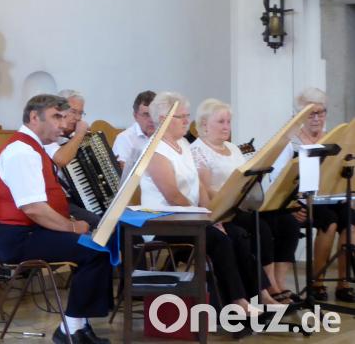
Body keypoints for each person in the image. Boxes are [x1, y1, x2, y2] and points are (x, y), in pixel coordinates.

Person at [141, 92, 283, 309]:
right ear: (163, 120)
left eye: (187, 115)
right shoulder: (155, 150)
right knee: (221, 240)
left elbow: (198, 187)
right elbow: (173, 196)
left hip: (189, 218)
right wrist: (205, 219)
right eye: (181, 117)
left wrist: (213, 215)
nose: (187, 121)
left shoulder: (183, 146)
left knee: (238, 234)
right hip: (164, 221)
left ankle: (260, 296)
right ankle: (237, 301)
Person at [0, 94, 112, 344]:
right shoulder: (21, 152)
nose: (62, 123)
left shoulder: (33, 148)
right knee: (96, 250)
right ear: (34, 117)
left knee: (99, 244)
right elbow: (34, 209)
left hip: (34, 233)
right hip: (19, 240)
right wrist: (71, 227)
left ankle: (78, 326)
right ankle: (71, 329)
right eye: (56, 116)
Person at [191, 98, 299, 304]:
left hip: (238, 206)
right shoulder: (198, 151)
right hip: (220, 210)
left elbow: (245, 180)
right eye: (221, 122)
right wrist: (231, 197)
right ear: (204, 124)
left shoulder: (232, 148)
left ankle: (267, 290)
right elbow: (204, 190)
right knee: (252, 232)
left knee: (270, 227)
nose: (226, 127)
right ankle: (260, 293)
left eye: (228, 122)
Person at [270, 88, 355, 302]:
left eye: (321, 112)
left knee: (351, 220)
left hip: (329, 197)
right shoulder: (290, 142)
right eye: (311, 113)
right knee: (330, 221)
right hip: (301, 201)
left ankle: (344, 282)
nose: (317, 118)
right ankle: (317, 282)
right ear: (300, 115)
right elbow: (278, 180)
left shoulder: (333, 139)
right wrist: (291, 206)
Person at [43, 90, 99, 228]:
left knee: (114, 218)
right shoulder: (49, 136)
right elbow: (61, 159)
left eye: (81, 113)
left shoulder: (72, 138)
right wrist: (79, 134)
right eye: (73, 111)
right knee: (99, 223)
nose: (78, 118)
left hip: (78, 197)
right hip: (54, 202)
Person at [113, 90, 156, 180]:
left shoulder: (165, 136)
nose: (151, 119)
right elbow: (125, 175)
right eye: (146, 114)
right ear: (135, 116)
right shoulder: (124, 139)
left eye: (154, 114)